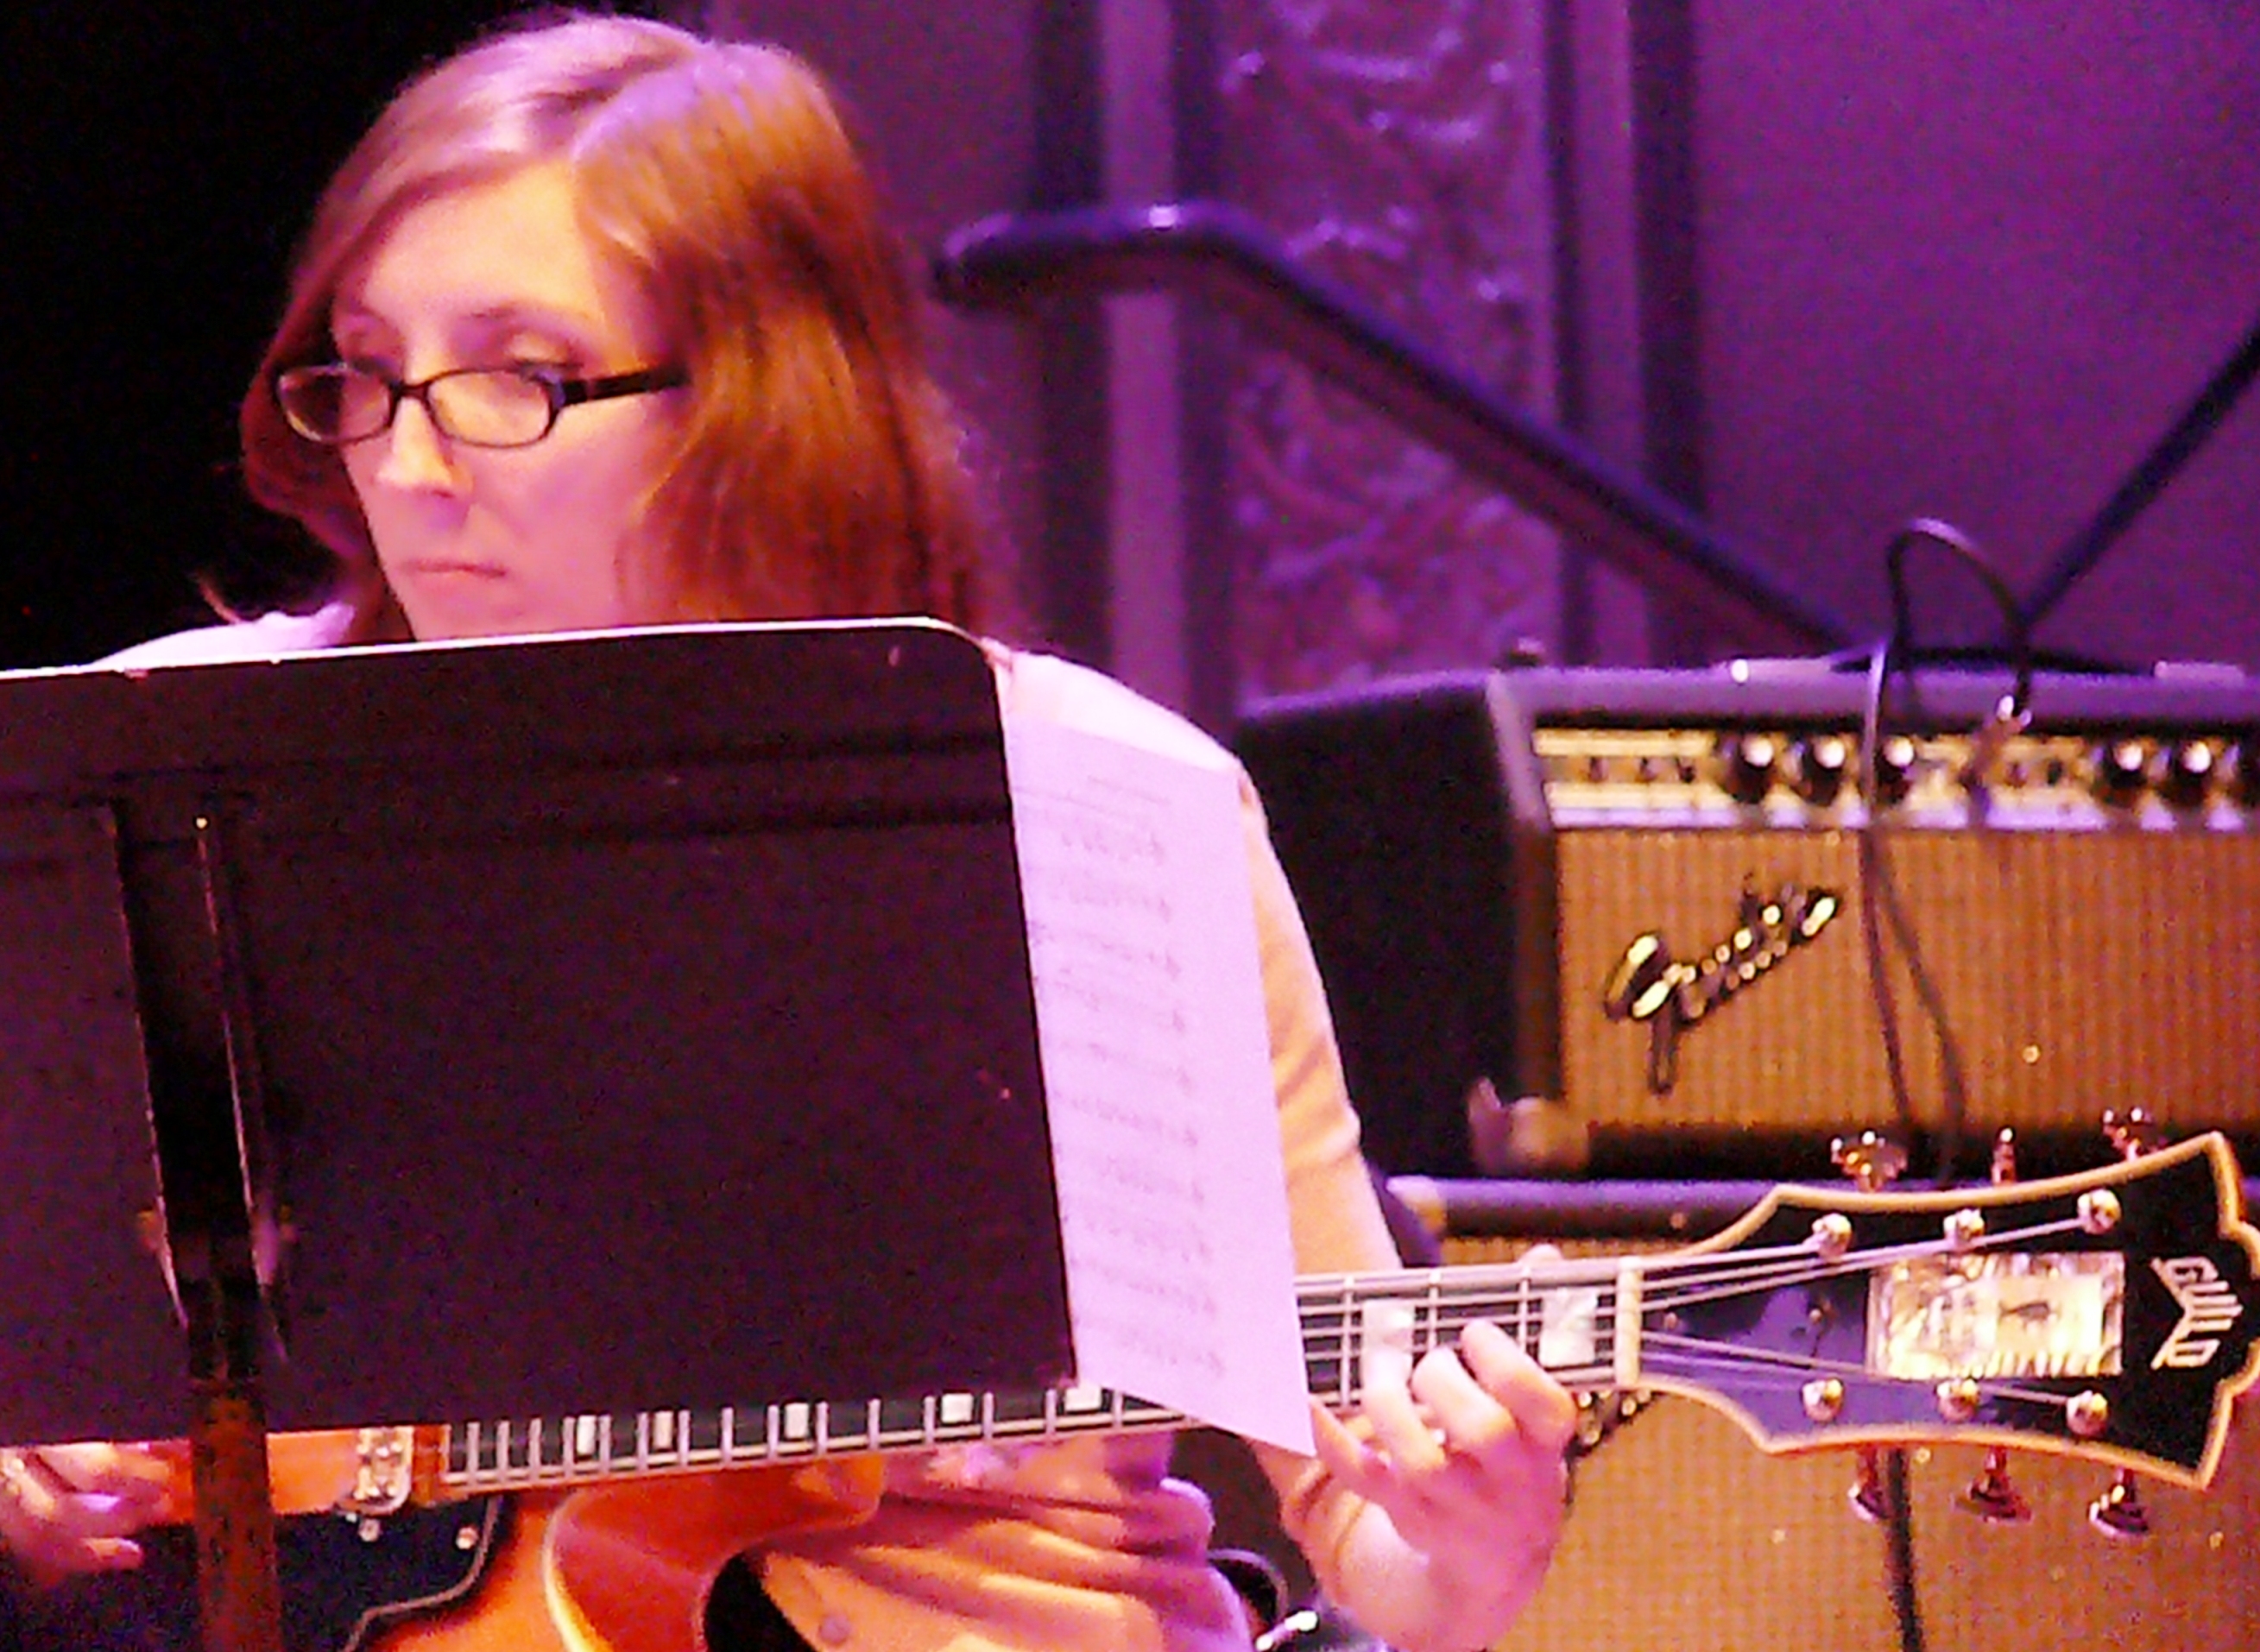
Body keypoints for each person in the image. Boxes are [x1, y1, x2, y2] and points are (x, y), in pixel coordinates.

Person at [0, 14, 1574, 1651]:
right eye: (372, 372)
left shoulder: (1091, 798)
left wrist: (1463, 1548)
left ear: (760, 399)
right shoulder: (165, 761)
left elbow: (1366, 1517)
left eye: (515, 380)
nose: (409, 465)